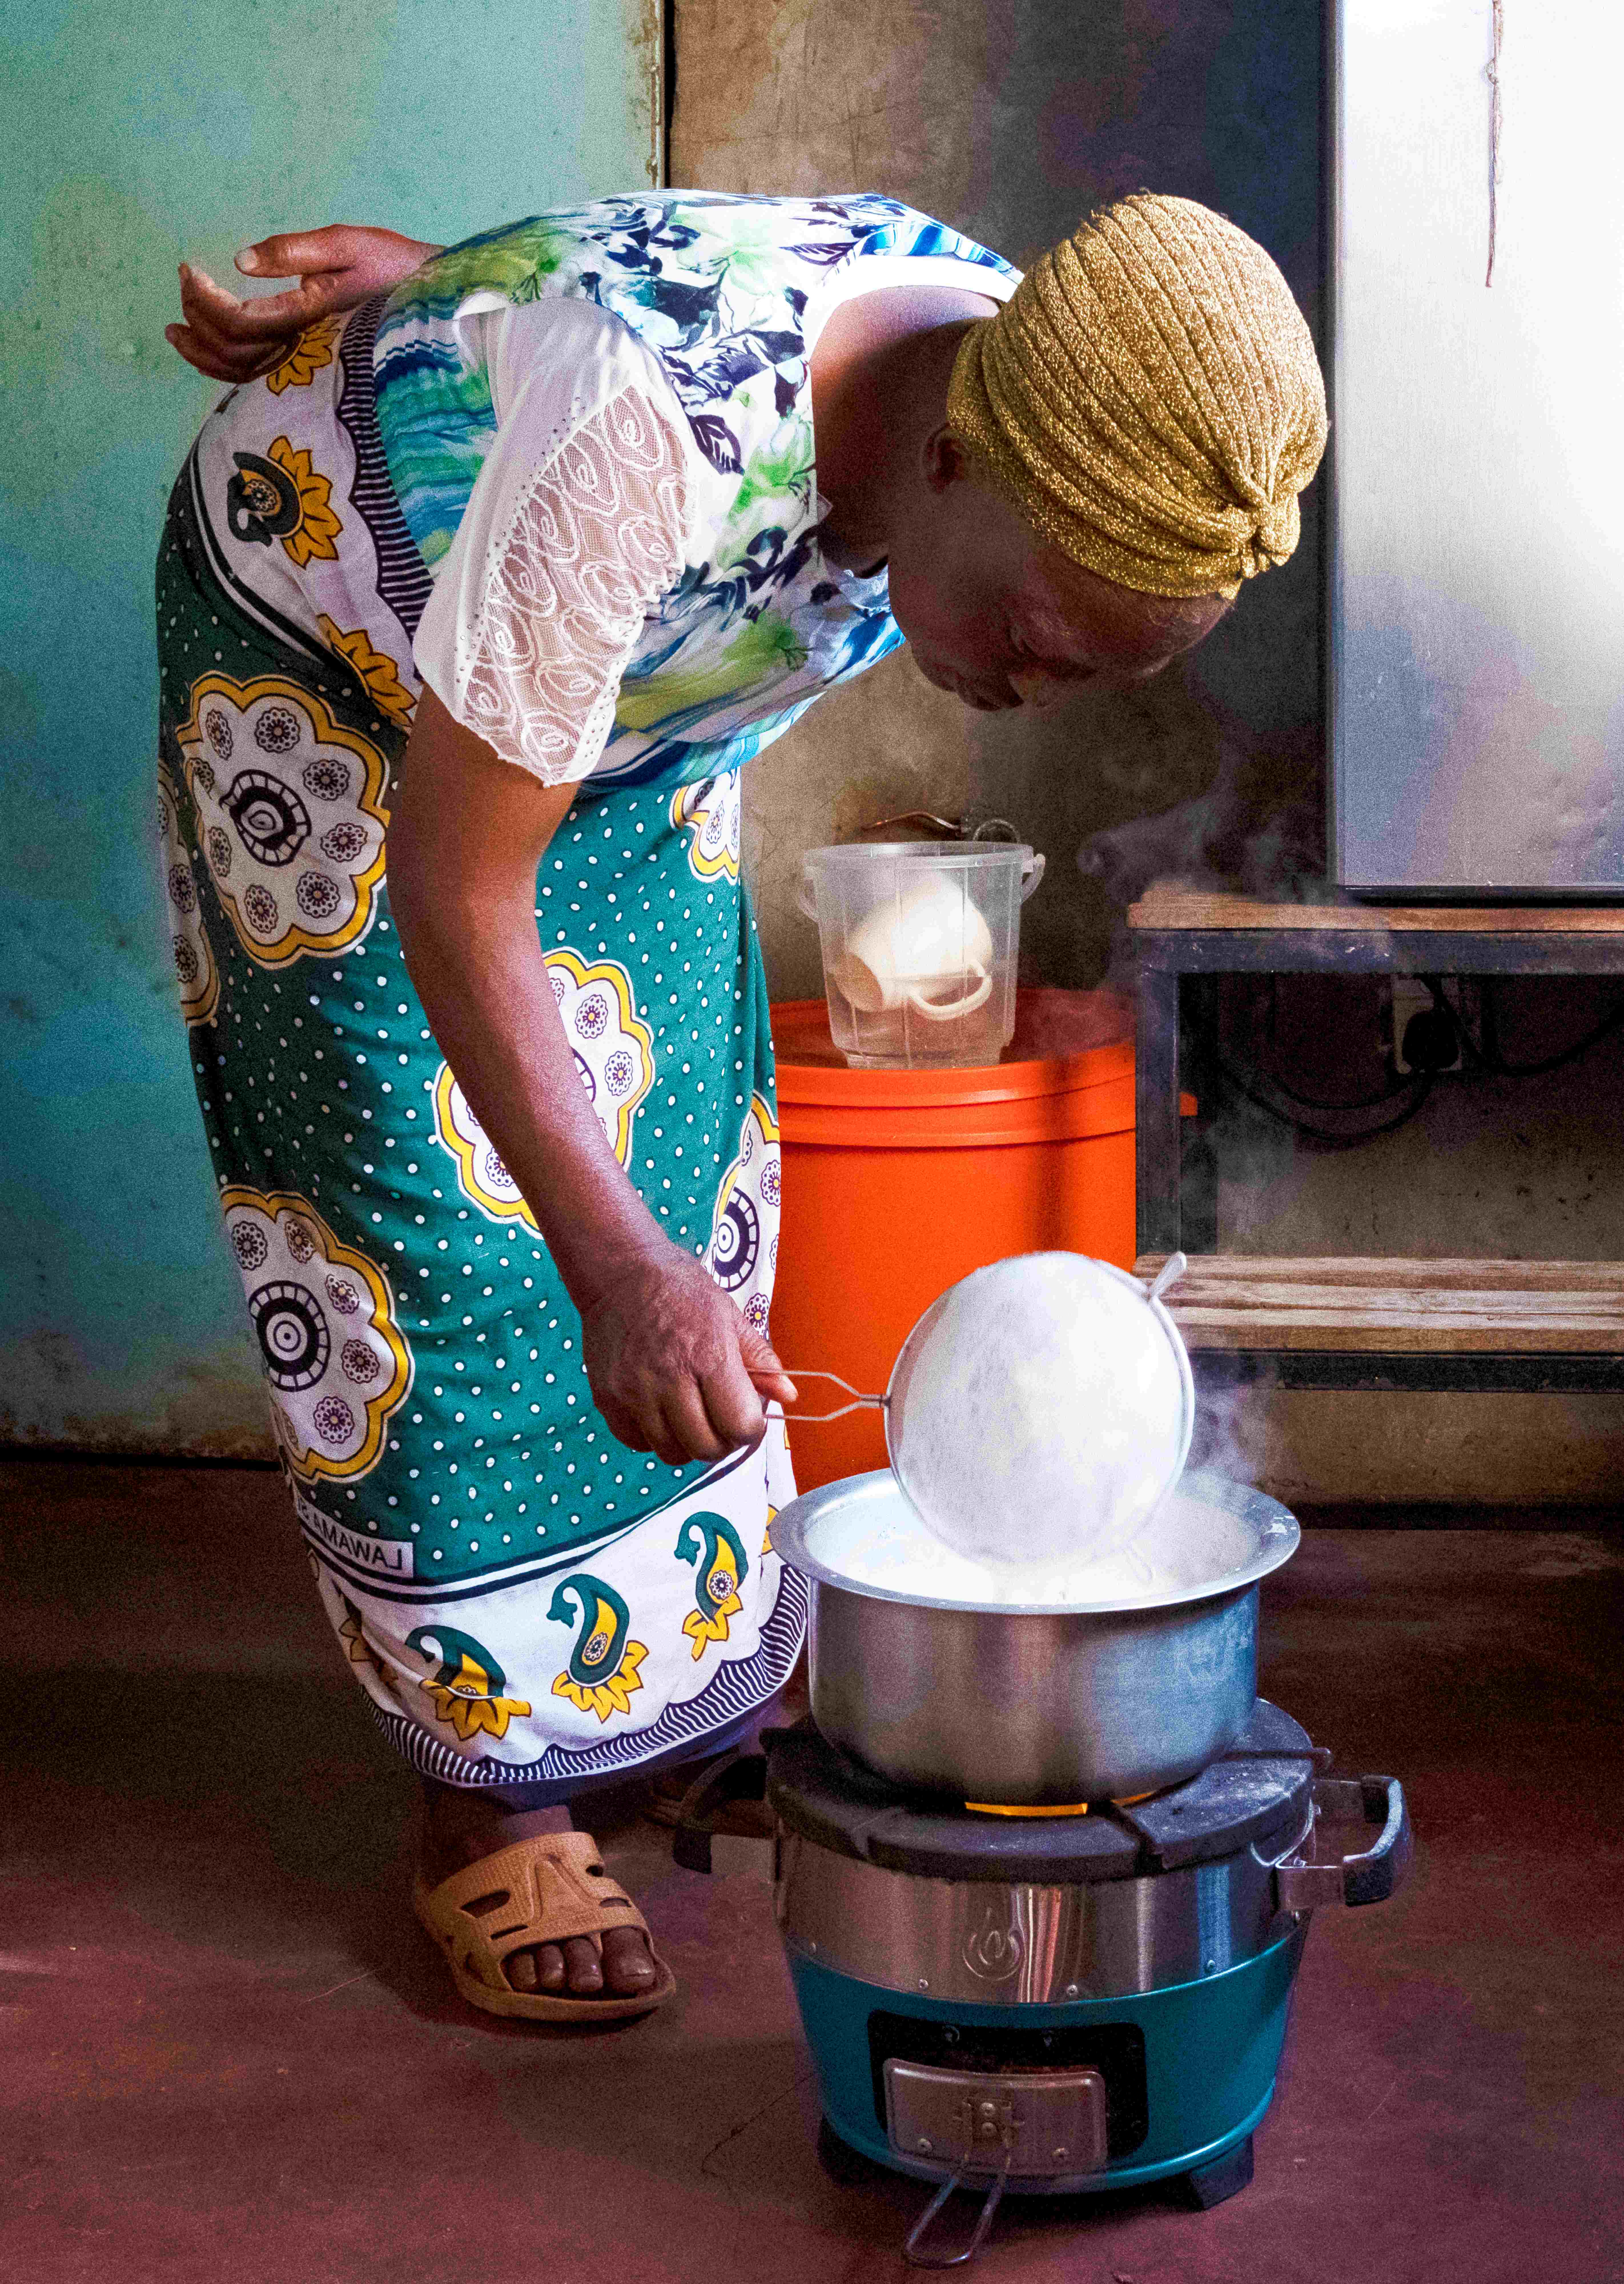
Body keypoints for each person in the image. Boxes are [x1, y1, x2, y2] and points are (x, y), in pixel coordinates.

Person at [158, 190, 1326, 2022]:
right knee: (444, 1213)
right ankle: (490, 1797)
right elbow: (454, 895)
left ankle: (650, 1680)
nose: (1016, 697)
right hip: (352, 674)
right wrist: (492, 383)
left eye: (1083, 675)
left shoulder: (1074, 374)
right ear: (943, 457)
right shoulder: (639, 449)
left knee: (686, 1177)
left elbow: (622, 305)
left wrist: (465, 328)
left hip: (619, 711)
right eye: (1026, 628)